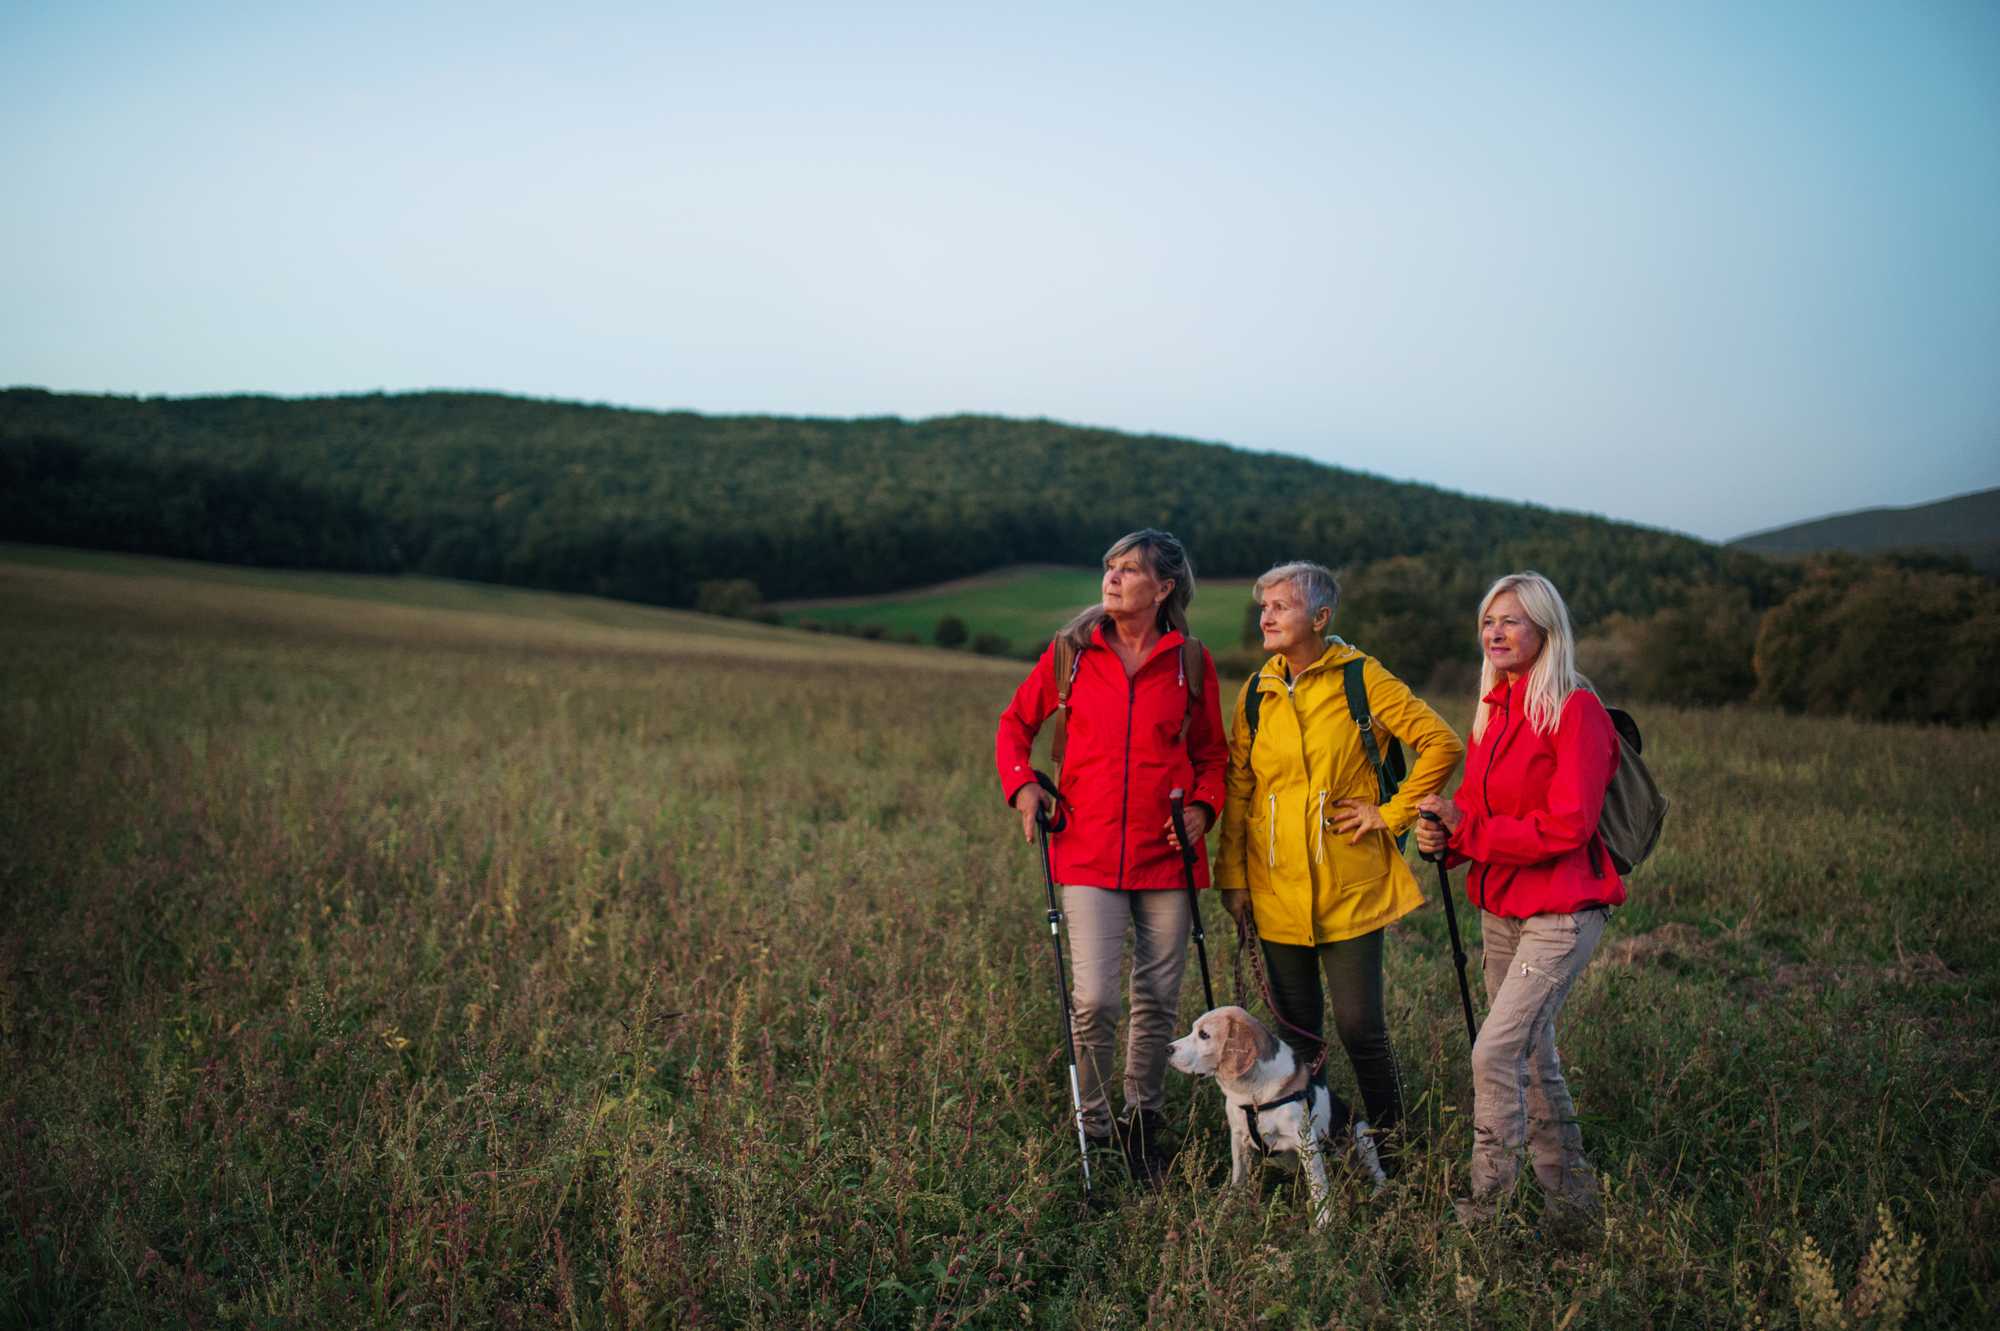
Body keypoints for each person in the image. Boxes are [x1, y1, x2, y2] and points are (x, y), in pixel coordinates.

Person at [1213, 561, 1463, 1178]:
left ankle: (1398, 1157)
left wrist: (1392, 813)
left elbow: (1442, 743)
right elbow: (1240, 788)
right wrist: (1234, 878)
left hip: (1349, 883)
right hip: (1273, 888)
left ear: (1320, 618)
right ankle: (1314, 1155)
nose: (1266, 615)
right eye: (1263, 605)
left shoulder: (1363, 678)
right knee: (1296, 1035)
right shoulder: (1257, 690)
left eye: (1281, 606)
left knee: (1360, 1030)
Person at [996, 529, 1227, 1186]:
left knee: (1156, 999)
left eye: (1131, 570)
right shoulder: (1071, 653)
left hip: (1167, 853)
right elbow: (1015, 725)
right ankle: (1093, 1123)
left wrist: (1202, 808)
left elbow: (1214, 755)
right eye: (1111, 566)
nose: (1115, 577)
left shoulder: (1191, 662)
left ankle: (1141, 1122)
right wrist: (1023, 784)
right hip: (1087, 847)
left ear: (1164, 588)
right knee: (1095, 999)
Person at [1414, 570, 1624, 1223]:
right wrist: (1444, 838)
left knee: (1496, 1050)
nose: (1496, 632)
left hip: (1562, 912)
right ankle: (1573, 1200)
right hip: (1502, 907)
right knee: (1532, 1050)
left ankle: (1489, 1204)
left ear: (1545, 629)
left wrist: (1470, 828)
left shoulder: (1575, 710)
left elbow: (1570, 824)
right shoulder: (1494, 711)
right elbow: (1475, 814)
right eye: (1488, 621)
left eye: (1511, 620)